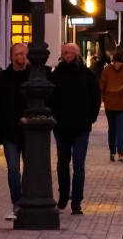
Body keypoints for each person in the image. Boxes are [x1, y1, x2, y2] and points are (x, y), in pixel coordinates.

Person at [50, 43, 101, 215]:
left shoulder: (87, 75)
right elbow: (51, 99)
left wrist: (90, 119)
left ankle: (77, 201)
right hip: (61, 127)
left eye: (71, 52)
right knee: (62, 164)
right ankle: (64, 195)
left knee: (79, 164)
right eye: (65, 52)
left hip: (81, 128)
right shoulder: (56, 75)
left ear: (77, 54)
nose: (67, 55)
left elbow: (95, 98)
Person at [0, 42, 31, 215]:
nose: (20, 56)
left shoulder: (34, 76)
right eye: (17, 54)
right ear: (11, 57)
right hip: (10, 132)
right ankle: (17, 201)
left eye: (23, 53)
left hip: (30, 132)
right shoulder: (3, 78)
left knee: (31, 167)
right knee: (13, 168)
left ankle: (29, 198)